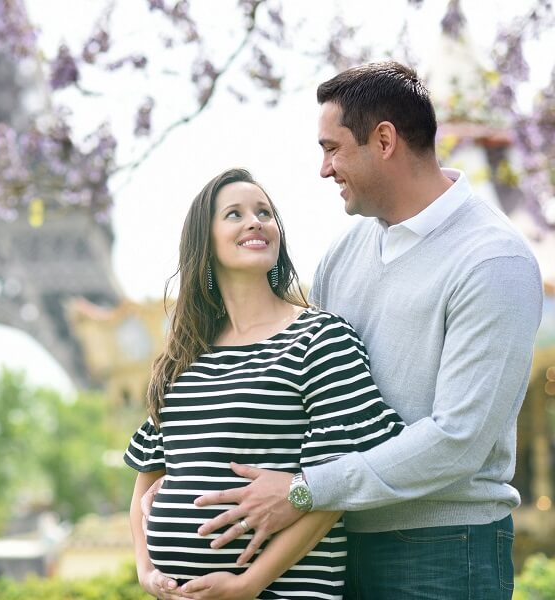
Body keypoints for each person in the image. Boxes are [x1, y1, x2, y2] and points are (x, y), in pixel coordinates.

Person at [163, 62, 544, 599]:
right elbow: (310, 399)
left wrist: (302, 491)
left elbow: (458, 441)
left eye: (332, 148)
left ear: (383, 140)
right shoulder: (346, 252)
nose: (324, 169)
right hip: (336, 549)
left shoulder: (491, 261)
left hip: (441, 550)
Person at [125, 167, 405, 600]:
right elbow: (148, 479)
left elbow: (337, 488)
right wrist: (146, 571)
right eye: (234, 214)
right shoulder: (184, 357)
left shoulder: (321, 337)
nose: (256, 221)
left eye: (265, 212)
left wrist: (247, 584)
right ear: (205, 241)